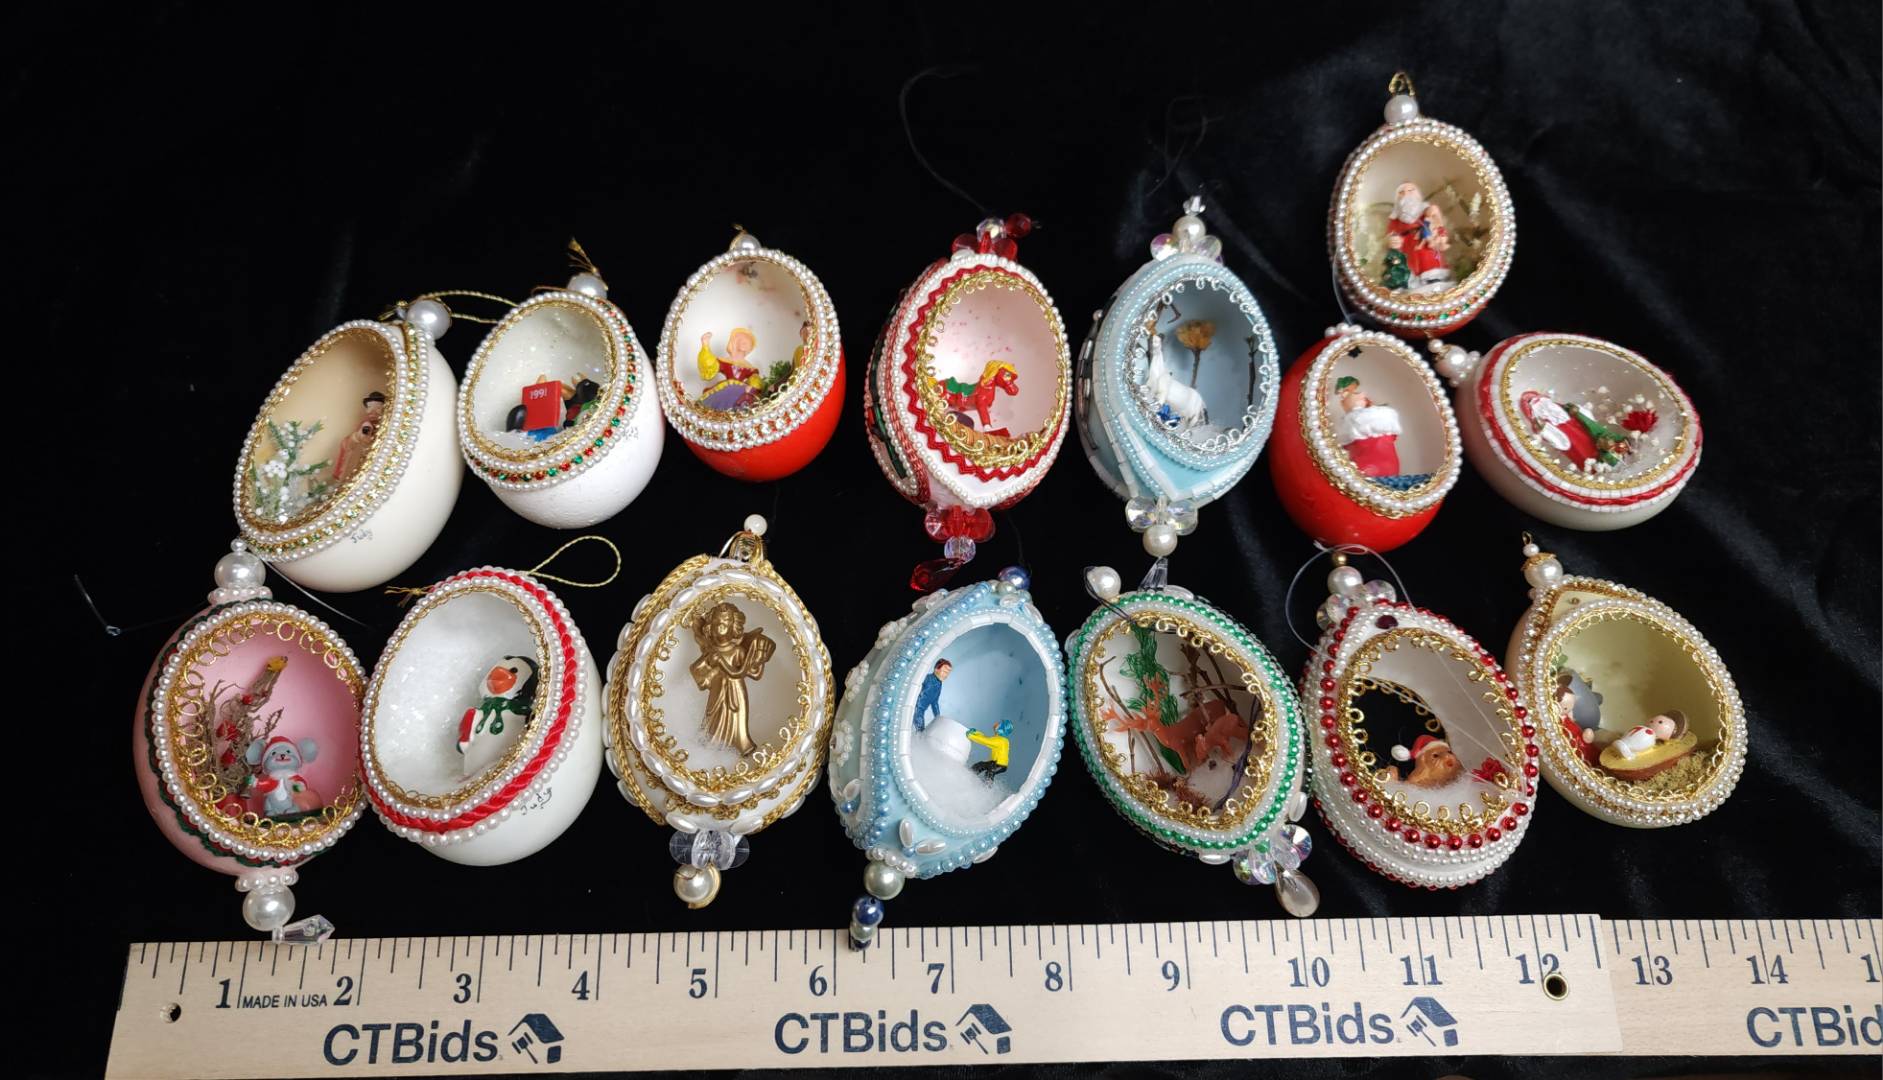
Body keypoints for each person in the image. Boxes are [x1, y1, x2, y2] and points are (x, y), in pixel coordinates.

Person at [688, 601, 776, 754]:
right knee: (713, 716)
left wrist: (760, 660)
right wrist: (708, 675)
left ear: (735, 627)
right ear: (710, 626)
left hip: (736, 692)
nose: (721, 624)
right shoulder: (711, 651)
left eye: (726, 620)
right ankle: (712, 744)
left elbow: (753, 674)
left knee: (736, 719)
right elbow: (695, 669)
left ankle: (741, 744)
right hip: (717, 691)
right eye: (716, 620)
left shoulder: (737, 651)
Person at [1383, 182, 1452, 289]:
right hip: (1406, 248)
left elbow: (1438, 225)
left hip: (1426, 246)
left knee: (1429, 262)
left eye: (1410, 190)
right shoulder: (1395, 218)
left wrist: (1441, 236)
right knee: (1409, 267)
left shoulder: (1426, 211)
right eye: (1401, 192)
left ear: (1417, 194)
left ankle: (1434, 280)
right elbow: (1390, 233)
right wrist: (1392, 240)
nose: (1406, 194)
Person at [1333, 375, 1402, 479]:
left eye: (1355, 392)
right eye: (1347, 393)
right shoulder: (1353, 422)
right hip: (1366, 470)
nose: (1362, 394)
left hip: (1374, 470)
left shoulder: (1375, 418)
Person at [698, 328, 762, 411]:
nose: (744, 343)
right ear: (735, 342)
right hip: (727, 390)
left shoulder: (749, 367)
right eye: (742, 340)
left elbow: (755, 379)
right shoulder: (725, 362)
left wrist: (751, 388)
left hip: (741, 392)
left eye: (747, 342)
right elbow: (710, 365)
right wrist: (705, 345)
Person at [331, 390, 386, 483]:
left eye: (378, 408)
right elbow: (347, 444)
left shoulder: (384, 425)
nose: (372, 411)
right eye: (369, 407)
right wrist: (356, 437)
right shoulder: (365, 424)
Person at [912, 659, 952, 732]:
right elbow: (917, 701)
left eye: (948, 673)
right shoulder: (927, 678)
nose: (946, 675)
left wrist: (938, 717)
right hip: (915, 710)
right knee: (919, 731)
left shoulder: (939, 684)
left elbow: (935, 702)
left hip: (920, 712)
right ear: (936, 669)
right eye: (944, 671)